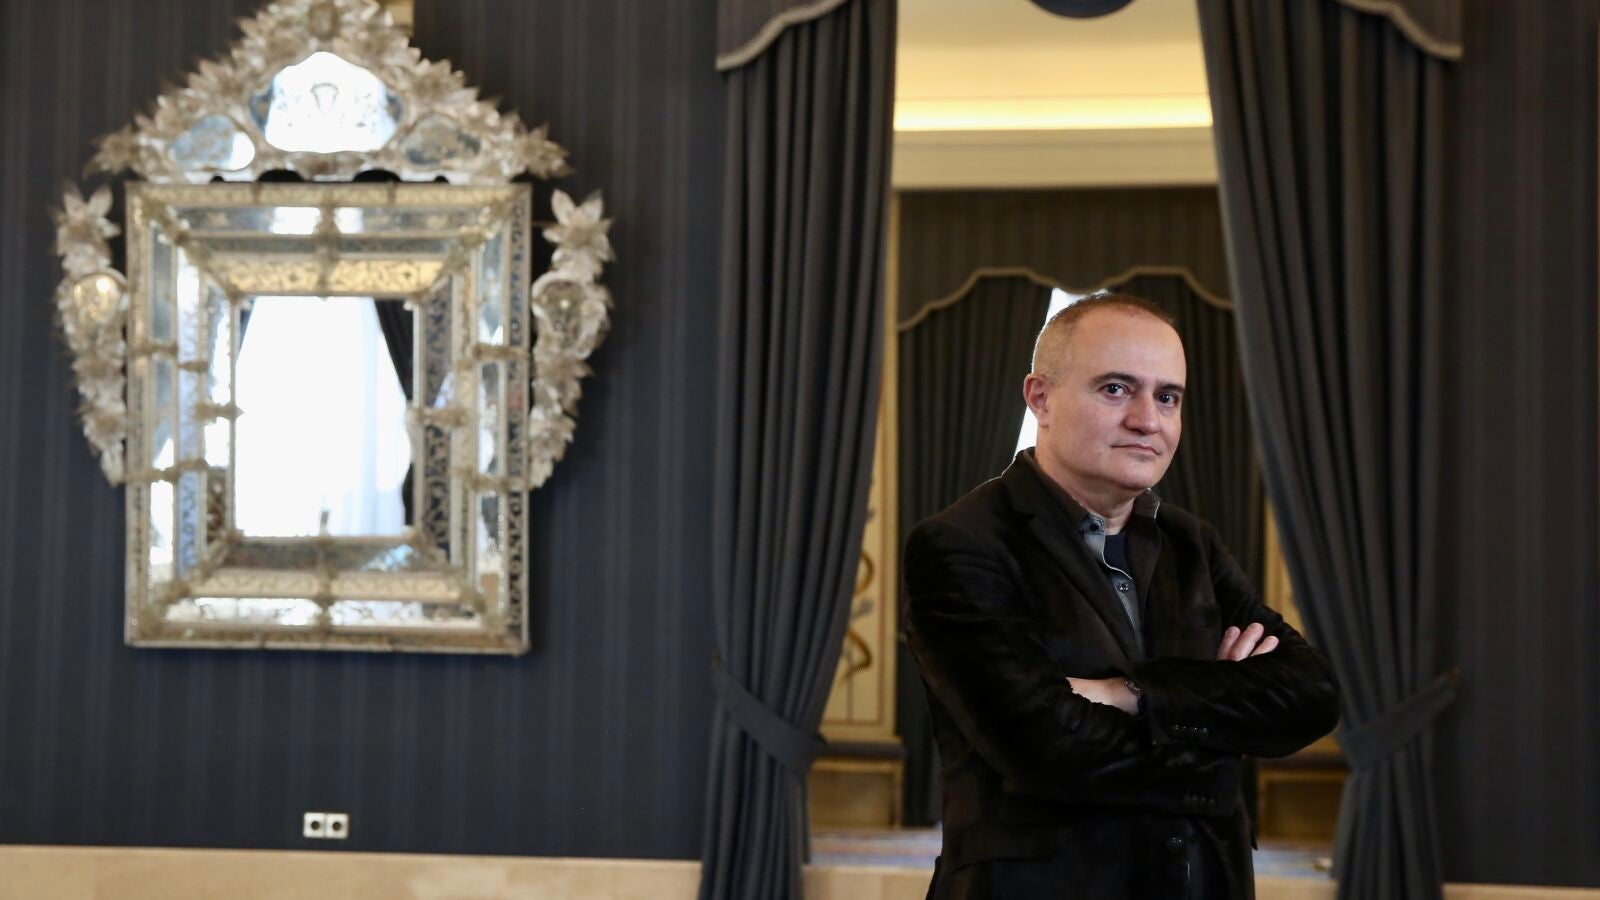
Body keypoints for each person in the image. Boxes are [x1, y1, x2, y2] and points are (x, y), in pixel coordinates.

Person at [902, 291, 1340, 899]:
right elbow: (1045, 745)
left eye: (1168, 397)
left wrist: (1129, 693)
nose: (1147, 420)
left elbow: (1313, 693)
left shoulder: (1192, 543)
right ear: (1040, 398)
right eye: (1116, 389)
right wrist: (1222, 739)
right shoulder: (961, 544)